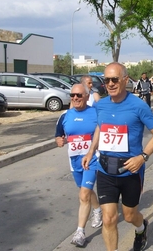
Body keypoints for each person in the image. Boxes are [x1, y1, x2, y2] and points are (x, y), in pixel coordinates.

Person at [82, 62, 153, 251]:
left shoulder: (138, 106)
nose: (110, 84)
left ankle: (141, 227)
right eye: (106, 80)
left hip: (130, 171)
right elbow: (100, 128)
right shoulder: (101, 105)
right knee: (109, 218)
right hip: (105, 169)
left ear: (125, 80)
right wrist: (90, 151)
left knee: (129, 216)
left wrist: (142, 157)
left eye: (114, 79)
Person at [55, 83, 102, 247]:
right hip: (74, 160)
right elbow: (59, 136)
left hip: (92, 159)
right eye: (72, 95)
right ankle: (97, 210)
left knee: (83, 195)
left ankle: (80, 232)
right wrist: (60, 140)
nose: (75, 98)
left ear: (87, 97)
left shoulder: (96, 113)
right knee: (85, 190)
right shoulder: (65, 115)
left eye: (79, 95)